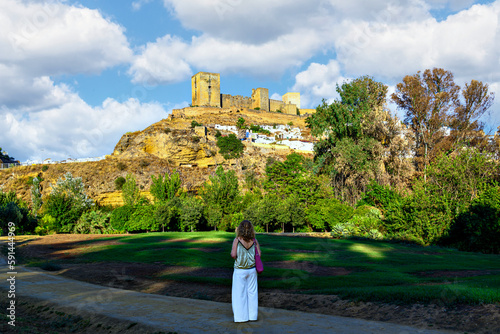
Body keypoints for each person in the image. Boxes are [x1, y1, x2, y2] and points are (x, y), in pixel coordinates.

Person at [231, 220, 261, 323]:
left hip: (240, 270)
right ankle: (252, 316)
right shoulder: (254, 240)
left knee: (239, 294)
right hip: (252, 270)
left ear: (240, 229)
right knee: (252, 294)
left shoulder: (237, 240)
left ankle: (241, 318)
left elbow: (233, 255)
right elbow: (259, 255)